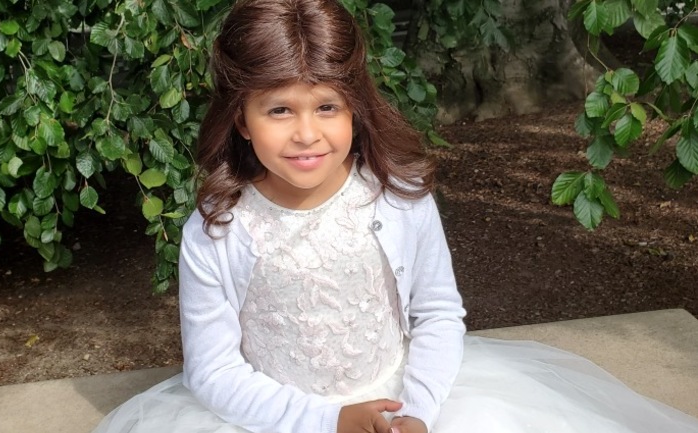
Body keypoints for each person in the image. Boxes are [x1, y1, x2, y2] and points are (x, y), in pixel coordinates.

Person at [92, 1, 698, 432]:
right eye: (279, 110)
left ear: (355, 108)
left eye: (327, 107)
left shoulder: (396, 197)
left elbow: (438, 312)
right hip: (278, 418)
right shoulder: (218, 229)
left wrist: (419, 411)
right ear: (241, 120)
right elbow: (214, 370)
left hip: (404, 402)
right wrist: (328, 421)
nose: (307, 134)